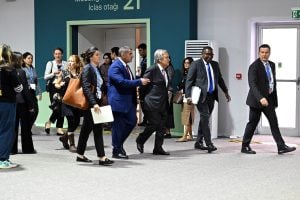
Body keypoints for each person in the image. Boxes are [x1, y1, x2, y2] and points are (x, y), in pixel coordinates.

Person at [241, 44, 296, 154]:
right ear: (259, 53)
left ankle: (281, 146)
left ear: (269, 53)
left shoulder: (272, 65)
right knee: (252, 123)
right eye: (262, 52)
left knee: (274, 122)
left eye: (266, 52)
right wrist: (261, 98)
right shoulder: (254, 66)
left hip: (269, 99)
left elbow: (271, 82)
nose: (264, 54)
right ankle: (245, 146)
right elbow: (252, 84)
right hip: (257, 100)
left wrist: (273, 99)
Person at [185, 46, 231, 153]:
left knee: (204, 119)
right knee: (205, 118)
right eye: (207, 54)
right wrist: (188, 96)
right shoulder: (196, 64)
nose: (209, 56)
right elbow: (189, 80)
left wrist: (226, 92)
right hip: (201, 97)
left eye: (211, 54)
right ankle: (209, 143)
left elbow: (219, 79)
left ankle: (198, 142)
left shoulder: (215, 65)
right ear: (202, 54)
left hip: (211, 96)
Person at [108, 46, 150, 159]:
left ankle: (118, 144)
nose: (132, 56)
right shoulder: (115, 66)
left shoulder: (125, 66)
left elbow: (128, 80)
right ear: (123, 55)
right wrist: (139, 81)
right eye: (130, 54)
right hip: (119, 102)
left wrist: (138, 77)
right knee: (118, 126)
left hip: (128, 101)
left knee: (132, 122)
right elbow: (121, 82)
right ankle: (116, 150)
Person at [76, 47, 114, 166]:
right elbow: (86, 88)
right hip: (91, 104)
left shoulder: (96, 68)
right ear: (91, 56)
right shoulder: (88, 69)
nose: (99, 56)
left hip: (96, 102)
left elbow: (99, 86)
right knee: (97, 130)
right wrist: (94, 103)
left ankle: (80, 154)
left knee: (86, 130)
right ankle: (101, 157)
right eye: (97, 55)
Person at [136, 49, 171, 155]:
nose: (168, 59)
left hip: (163, 103)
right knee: (154, 124)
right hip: (151, 103)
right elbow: (143, 85)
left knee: (161, 126)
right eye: (166, 57)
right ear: (159, 59)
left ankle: (158, 148)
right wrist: (142, 100)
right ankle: (140, 139)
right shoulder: (152, 70)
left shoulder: (165, 71)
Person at [0, 44, 23, 169]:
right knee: (6, 131)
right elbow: (18, 88)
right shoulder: (9, 69)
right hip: (7, 104)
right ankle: (3, 159)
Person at [11, 52, 37, 154]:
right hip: (22, 103)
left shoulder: (8, 71)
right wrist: (30, 105)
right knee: (25, 127)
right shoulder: (21, 72)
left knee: (13, 127)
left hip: (12, 102)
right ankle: (28, 149)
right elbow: (25, 90)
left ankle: (12, 149)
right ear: (19, 60)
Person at [57, 55, 83, 153]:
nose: (70, 63)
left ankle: (64, 137)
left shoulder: (80, 73)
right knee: (71, 121)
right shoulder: (64, 72)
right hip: (66, 101)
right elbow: (56, 83)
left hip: (76, 101)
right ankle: (72, 144)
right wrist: (59, 85)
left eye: (72, 61)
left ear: (77, 63)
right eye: (69, 61)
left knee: (76, 122)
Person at [44, 47, 66, 135]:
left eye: (59, 53)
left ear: (62, 55)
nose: (58, 55)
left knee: (63, 107)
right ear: (54, 55)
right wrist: (54, 73)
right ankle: (49, 122)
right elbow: (45, 77)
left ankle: (59, 128)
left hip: (63, 87)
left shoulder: (66, 63)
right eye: (56, 54)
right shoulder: (50, 63)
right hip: (53, 87)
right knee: (56, 107)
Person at [176, 57, 194, 142]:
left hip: (189, 97)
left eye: (188, 63)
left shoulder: (192, 74)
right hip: (185, 97)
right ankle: (190, 135)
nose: (186, 64)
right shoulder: (186, 74)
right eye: (185, 63)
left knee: (186, 115)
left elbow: (189, 85)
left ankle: (184, 136)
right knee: (189, 116)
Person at [137, 43, 148, 126]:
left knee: (145, 103)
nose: (139, 53)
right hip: (141, 83)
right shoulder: (143, 60)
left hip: (145, 84)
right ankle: (145, 119)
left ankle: (147, 119)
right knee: (142, 102)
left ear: (145, 50)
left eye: (140, 50)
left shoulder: (147, 60)